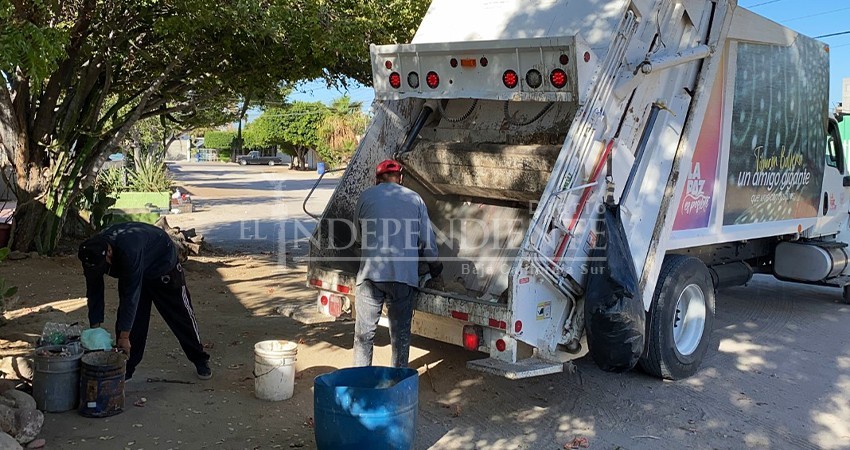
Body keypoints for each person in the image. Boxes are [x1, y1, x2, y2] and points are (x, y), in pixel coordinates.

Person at [78, 222, 211, 380]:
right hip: (135, 268)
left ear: (109, 252)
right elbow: (94, 290)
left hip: (162, 265)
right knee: (132, 323)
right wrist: (95, 330)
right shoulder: (91, 254)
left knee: (180, 315)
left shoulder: (129, 250)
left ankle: (199, 359)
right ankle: (126, 368)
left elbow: (130, 296)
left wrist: (124, 337)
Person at [353, 159, 442, 368]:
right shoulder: (415, 199)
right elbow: (427, 242)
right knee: (400, 337)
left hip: (370, 277)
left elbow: (358, 237)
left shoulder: (365, 197)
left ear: (377, 179)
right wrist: (435, 267)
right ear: (400, 178)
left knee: (364, 336)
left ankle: (359, 382)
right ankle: (398, 382)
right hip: (403, 277)